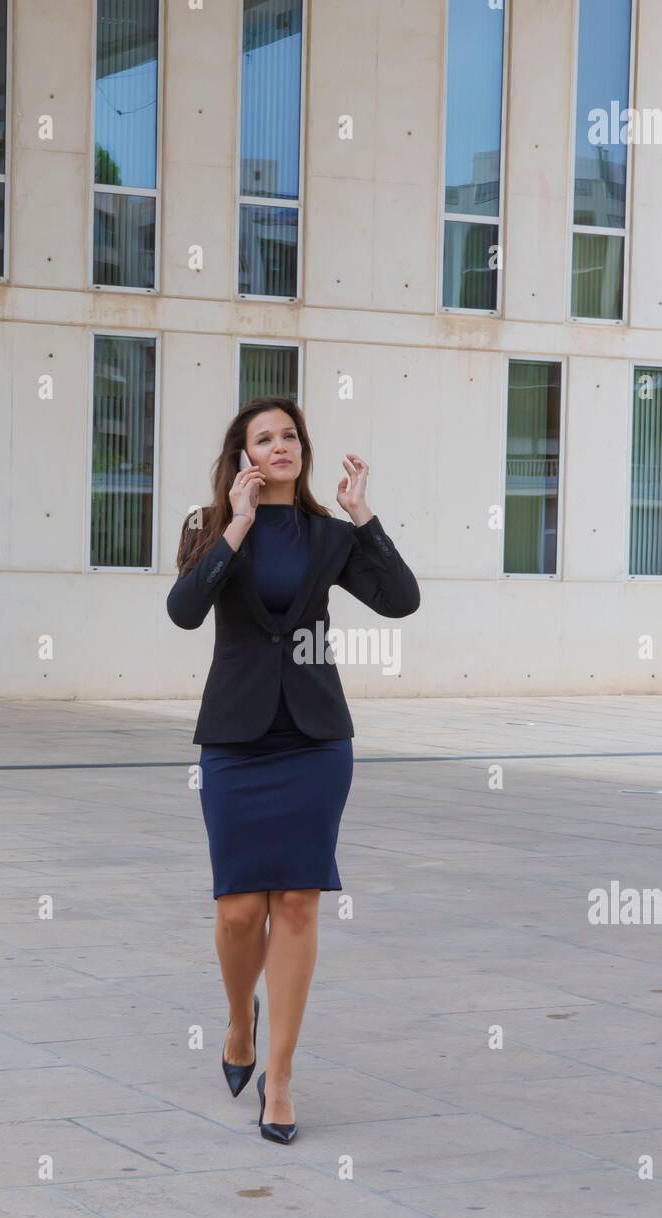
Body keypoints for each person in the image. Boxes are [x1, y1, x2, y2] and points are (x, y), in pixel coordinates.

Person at [166, 396, 420, 1142]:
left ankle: (280, 1079)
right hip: (238, 740)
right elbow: (184, 611)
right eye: (265, 438)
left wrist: (364, 516)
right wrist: (237, 528)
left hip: (314, 739)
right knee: (240, 910)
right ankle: (239, 1023)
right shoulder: (210, 527)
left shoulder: (329, 535)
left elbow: (401, 601)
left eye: (290, 436)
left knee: (300, 903)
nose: (282, 446)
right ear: (242, 455)